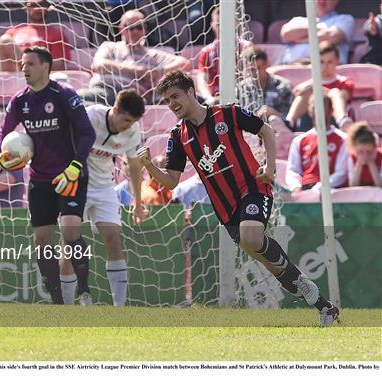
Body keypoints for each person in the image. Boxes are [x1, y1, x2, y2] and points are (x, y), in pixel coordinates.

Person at [137, 70, 339, 326]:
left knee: (251, 237)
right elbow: (172, 180)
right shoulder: (178, 137)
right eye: (166, 100)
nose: (171, 103)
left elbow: (265, 130)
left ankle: (306, 288)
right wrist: (149, 166)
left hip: (253, 188)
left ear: (190, 91)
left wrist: (269, 168)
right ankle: (324, 306)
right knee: (270, 263)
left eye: (175, 95)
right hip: (225, 209)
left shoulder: (228, 113)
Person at [0, 46, 96, 304]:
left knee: (71, 230)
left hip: (69, 176)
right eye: (22, 64)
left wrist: (75, 167)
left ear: (45, 67)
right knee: (41, 241)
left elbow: (87, 134)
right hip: (39, 180)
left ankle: (84, 291)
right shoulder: (19, 101)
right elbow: (3, 134)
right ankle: (58, 301)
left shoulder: (64, 95)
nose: (23, 69)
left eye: (29, 64)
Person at [59, 89, 146, 306]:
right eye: (126, 119)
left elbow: (134, 167)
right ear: (114, 110)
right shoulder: (89, 118)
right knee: (69, 244)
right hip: (75, 185)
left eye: (133, 121)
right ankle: (66, 307)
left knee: (114, 238)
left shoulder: (132, 131)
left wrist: (137, 203)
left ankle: (119, 309)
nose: (129, 125)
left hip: (104, 187)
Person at [82, 9, 192, 105]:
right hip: (102, 89)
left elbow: (186, 64)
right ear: (121, 29)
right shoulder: (110, 46)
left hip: (129, 98)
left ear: (144, 30)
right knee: (75, 100)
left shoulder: (152, 55)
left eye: (139, 27)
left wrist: (159, 71)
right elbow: (98, 65)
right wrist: (136, 70)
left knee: (77, 100)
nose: (135, 31)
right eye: (130, 27)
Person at [281, 42, 354, 132]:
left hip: (333, 121)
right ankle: (289, 123)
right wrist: (310, 88)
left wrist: (314, 88)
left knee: (335, 92)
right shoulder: (307, 85)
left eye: (329, 62)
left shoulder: (345, 82)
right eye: (321, 62)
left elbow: (343, 96)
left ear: (337, 61)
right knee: (306, 93)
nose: (325, 66)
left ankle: (342, 120)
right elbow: (296, 92)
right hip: (309, 121)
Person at [286, 93, 348, 193]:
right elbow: (293, 170)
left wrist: (319, 189)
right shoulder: (299, 140)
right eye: (314, 106)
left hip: (332, 191)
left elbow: (341, 173)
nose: (318, 110)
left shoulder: (343, 139)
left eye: (322, 106)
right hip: (304, 190)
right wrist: (296, 187)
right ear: (309, 110)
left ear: (331, 110)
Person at [0, 0, 71, 72]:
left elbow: (58, 65)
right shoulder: (12, 32)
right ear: (26, 8)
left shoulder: (56, 34)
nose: (37, 8)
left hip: (41, 77)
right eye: (33, 5)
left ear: (47, 7)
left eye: (41, 4)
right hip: (15, 76)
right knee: (4, 40)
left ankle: (29, 68)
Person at [197, 5, 251, 105]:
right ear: (212, 25)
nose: (222, 28)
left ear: (235, 23)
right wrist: (208, 98)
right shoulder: (206, 51)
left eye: (226, 24)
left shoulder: (246, 47)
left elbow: (250, 75)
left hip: (241, 98)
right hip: (213, 99)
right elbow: (202, 79)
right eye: (218, 24)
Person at [278, 0, 353, 65]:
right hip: (290, 67)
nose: (322, 0)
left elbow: (333, 37)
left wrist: (300, 39)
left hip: (325, 71)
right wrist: (321, 32)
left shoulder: (344, 19)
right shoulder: (297, 20)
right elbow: (286, 34)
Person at [241, 48, 293, 122]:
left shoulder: (282, 86)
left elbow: (290, 120)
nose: (256, 73)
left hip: (277, 129)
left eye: (258, 68)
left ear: (266, 65)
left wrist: (275, 114)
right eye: (252, 69)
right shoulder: (242, 88)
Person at [346, 121, 382, 187]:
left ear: (374, 148)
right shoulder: (352, 158)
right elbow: (353, 185)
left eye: (368, 151)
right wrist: (359, 164)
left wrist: (371, 162)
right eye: (360, 152)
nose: (364, 155)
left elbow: (380, 185)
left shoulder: (380, 156)